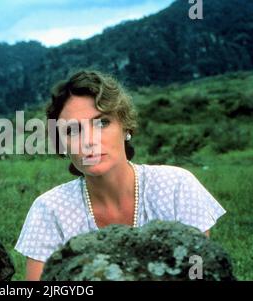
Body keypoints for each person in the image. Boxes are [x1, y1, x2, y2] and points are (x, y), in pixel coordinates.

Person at [14, 70, 226, 281]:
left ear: (126, 127)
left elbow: (198, 272)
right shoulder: (50, 210)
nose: (89, 140)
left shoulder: (177, 187)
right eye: (72, 130)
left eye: (102, 123)